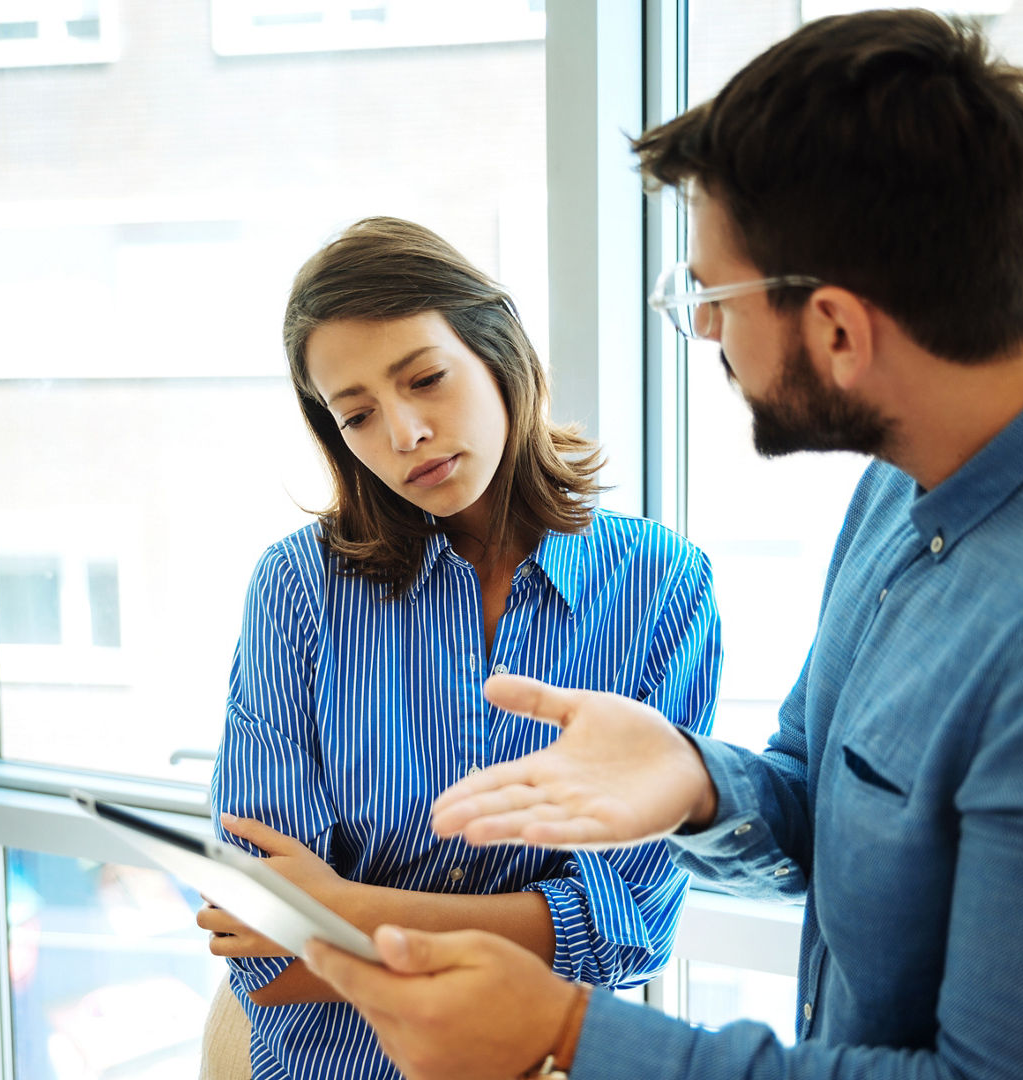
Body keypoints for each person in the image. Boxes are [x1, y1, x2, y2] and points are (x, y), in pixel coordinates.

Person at [297, 11, 1023, 1080]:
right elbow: (823, 800)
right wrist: (696, 782)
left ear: (838, 328)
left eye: (712, 294)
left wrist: (568, 1036)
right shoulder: (909, 486)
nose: (702, 330)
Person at [201, 216, 722, 1079]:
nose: (403, 434)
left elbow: (632, 921)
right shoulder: (299, 590)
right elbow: (267, 952)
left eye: (427, 378)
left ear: (498, 352)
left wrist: (345, 907)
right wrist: (532, 927)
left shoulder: (662, 584)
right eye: (358, 415)